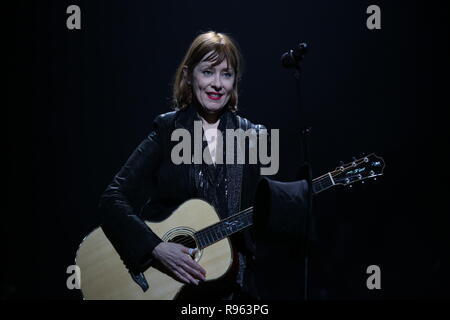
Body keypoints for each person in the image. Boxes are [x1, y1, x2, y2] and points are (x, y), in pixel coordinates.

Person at [99, 30, 267, 300]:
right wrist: (155, 247)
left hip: (234, 289)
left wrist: (294, 204)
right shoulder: (167, 130)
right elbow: (112, 199)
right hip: (176, 291)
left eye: (226, 74)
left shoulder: (252, 137)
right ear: (189, 75)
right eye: (208, 71)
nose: (217, 84)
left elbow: (261, 223)